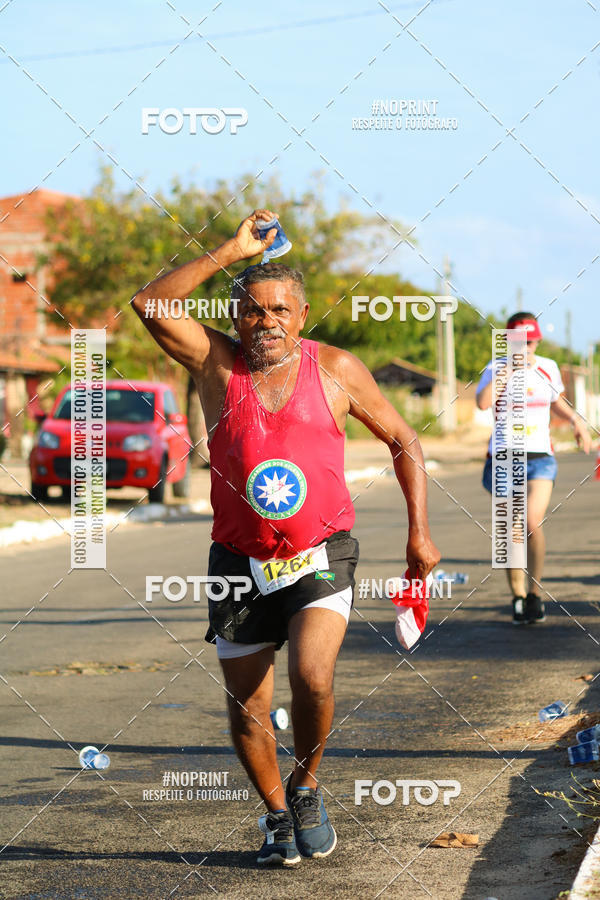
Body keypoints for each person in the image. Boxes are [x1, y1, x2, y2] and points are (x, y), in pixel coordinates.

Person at [132, 209, 440, 866]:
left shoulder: (335, 369)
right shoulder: (216, 363)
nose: (265, 321)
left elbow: (403, 439)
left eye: (279, 310)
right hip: (237, 561)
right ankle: (276, 815)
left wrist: (419, 532)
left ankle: (306, 788)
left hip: (321, 554)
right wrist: (230, 249)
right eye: (251, 311)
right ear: (236, 319)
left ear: (300, 317)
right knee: (248, 708)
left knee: (312, 676)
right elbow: (151, 303)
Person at [476, 312, 591, 625]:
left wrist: (576, 422)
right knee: (511, 529)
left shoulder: (548, 367)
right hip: (503, 458)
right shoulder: (494, 368)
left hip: (540, 456)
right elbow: (483, 403)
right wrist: (505, 372)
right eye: (518, 342)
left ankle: (535, 593)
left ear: (538, 341)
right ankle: (517, 596)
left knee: (530, 520)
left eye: (530, 342)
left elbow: (556, 401)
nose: (525, 347)